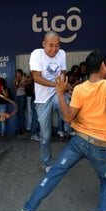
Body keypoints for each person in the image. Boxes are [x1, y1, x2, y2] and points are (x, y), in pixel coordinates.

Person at [19, 49, 106, 211]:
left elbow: (68, 117)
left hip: (78, 141)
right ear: (103, 66)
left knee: (54, 174)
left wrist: (60, 93)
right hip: (100, 144)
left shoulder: (79, 89)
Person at [29, 30, 68, 172]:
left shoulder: (62, 54)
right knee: (45, 137)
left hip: (56, 94)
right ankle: (47, 162)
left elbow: (63, 74)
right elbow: (37, 78)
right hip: (42, 100)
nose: (54, 49)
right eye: (51, 45)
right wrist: (57, 85)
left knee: (67, 107)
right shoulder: (36, 54)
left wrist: (62, 85)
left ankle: (71, 129)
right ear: (44, 44)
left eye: (57, 45)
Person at [13, 69, 28, 135]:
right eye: (16, 73)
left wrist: (20, 82)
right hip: (17, 96)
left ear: (20, 73)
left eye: (17, 73)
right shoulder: (15, 80)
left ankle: (22, 128)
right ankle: (17, 129)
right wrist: (16, 83)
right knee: (17, 113)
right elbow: (15, 88)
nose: (16, 74)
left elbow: (25, 85)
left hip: (22, 96)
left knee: (22, 113)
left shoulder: (24, 78)